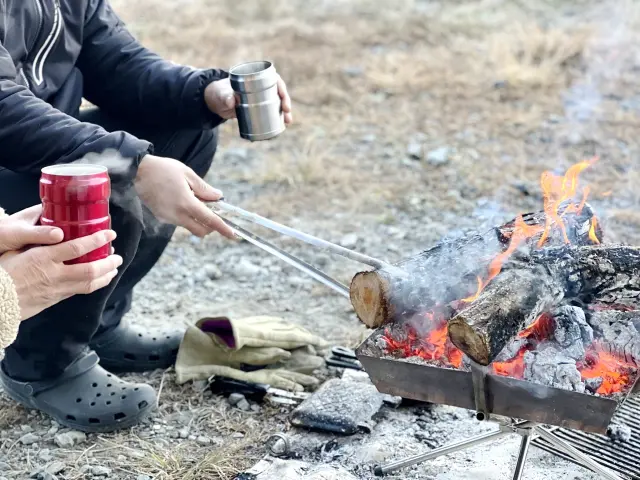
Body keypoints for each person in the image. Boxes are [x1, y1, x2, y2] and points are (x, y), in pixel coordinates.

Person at [0, 1, 293, 432]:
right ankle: (42, 363)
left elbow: (117, 64)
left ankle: (95, 320)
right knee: (101, 179)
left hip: (29, 153)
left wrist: (207, 94)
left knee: (183, 133)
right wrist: (133, 165)